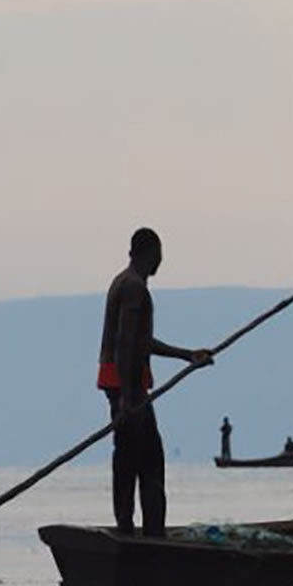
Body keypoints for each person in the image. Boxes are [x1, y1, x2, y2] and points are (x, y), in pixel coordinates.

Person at [99, 227, 213, 535]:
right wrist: (125, 396)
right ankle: (151, 536)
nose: (161, 260)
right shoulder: (135, 288)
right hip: (130, 389)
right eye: (159, 254)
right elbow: (125, 342)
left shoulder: (122, 283)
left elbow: (141, 340)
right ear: (150, 253)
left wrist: (188, 355)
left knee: (127, 456)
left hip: (123, 385)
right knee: (149, 461)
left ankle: (127, 526)